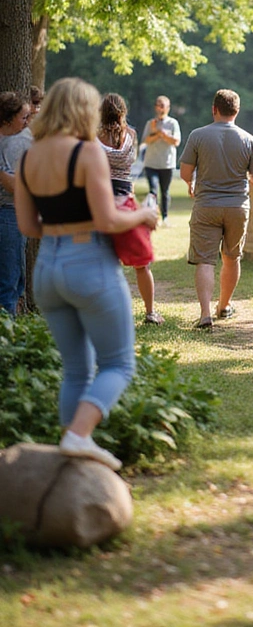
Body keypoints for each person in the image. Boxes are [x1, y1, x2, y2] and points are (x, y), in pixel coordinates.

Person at [14, 77, 158, 471]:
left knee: (76, 369)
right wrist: (144, 215)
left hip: (48, 267)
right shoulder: (87, 151)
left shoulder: (28, 157)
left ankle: (70, 458)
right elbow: (108, 220)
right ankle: (79, 435)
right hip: (89, 262)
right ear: (83, 111)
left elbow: (28, 226)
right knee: (119, 364)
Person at [180, 89, 253, 329]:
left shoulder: (198, 135)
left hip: (206, 205)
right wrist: (242, 177)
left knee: (205, 260)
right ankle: (224, 305)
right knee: (231, 257)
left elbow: (185, 172)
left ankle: (205, 315)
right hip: (237, 207)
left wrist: (191, 183)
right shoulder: (249, 139)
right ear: (237, 111)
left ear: (214, 109)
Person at [98, 93, 164, 325]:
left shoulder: (94, 137)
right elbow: (131, 164)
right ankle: (150, 311)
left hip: (102, 197)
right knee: (141, 263)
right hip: (126, 197)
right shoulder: (132, 135)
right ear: (123, 111)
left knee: (106, 261)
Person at [0, 92, 32, 315]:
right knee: (9, 281)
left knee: (15, 278)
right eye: (23, 117)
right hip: (8, 214)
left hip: (16, 213)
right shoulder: (10, 145)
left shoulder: (20, 140)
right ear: (8, 119)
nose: (27, 121)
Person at [141, 95, 181, 225]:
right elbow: (146, 140)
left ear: (168, 108)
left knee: (165, 192)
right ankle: (153, 216)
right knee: (153, 191)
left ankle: (165, 217)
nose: (160, 108)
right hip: (151, 163)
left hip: (167, 164)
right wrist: (156, 133)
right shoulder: (150, 123)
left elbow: (176, 141)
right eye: (158, 105)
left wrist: (161, 134)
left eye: (162, 106)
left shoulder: (173, 123)